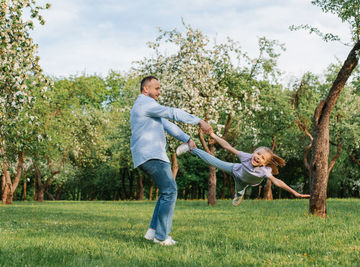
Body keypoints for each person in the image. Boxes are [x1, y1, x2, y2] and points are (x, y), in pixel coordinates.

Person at [130, 76, 211, 246]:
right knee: (170, 191)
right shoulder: (146, 104)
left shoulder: (148, 107)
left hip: (149, 155)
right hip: (151, 154)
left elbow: (168, 125)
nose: (159, 92)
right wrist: (199, 121)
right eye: (157, 88)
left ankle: (152, 232)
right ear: (146, 89)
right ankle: (162, 237)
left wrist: (187, 139)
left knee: (166, 191)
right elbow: (173, 113)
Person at [176, 131, 310, 206]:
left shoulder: (264, 170)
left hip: (246, 182)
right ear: (253, 152)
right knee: (215, 162)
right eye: (257, 153)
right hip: (235, 170)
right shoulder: (246, 157)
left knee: (239, 192)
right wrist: (213, 135)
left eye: (262, 158)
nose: (258, 157)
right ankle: (192, 149)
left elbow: (277, 182)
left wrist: (295, 193)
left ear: (264, 164)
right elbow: (228, 147)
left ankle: (239, 195)